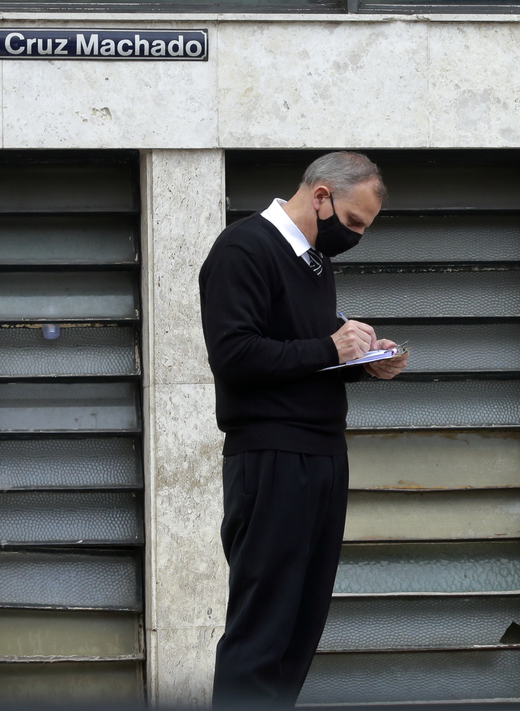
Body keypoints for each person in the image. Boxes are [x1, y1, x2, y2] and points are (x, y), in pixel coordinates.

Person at [198, 151, 408, 707]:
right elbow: (234, 355)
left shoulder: (314, 260)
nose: (355, 236)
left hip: (320, 454)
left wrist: (363, 361)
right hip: (271, 457)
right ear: (321, 196)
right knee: (263, 627)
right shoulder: (244, 248)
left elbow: (303, 355)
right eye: (354, 223)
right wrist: (327, 345)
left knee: (300, 625)